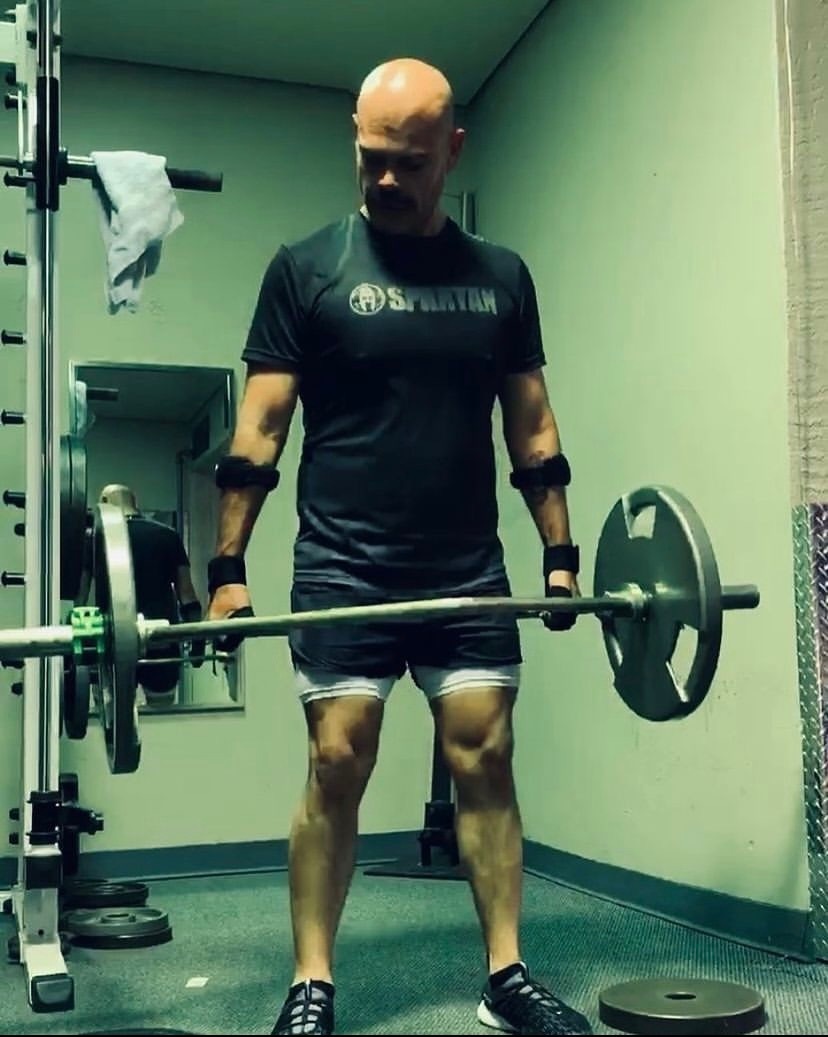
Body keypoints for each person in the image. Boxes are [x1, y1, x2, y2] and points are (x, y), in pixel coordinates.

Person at [207, 58, 591, 1037]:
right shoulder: (306, 269)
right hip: (344, 563)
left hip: (464, 568)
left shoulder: (501, 277)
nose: (385, 178)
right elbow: (259, 429)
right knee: (338, 758)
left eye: (409, 163)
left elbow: (532, 425)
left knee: (486, 755)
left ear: (451, 151)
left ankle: (506, 973)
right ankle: (312, 981)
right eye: (371, 157)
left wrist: (559, 556)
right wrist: (227, 571)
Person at [99, 484, 204, 706]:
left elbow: (82, 597)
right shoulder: (167, 535)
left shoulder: (97, 539)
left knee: (115, 713)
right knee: (162, 713)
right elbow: (187, 595)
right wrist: (198, 642)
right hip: (160, 639)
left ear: (106, 504)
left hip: (114, 640)